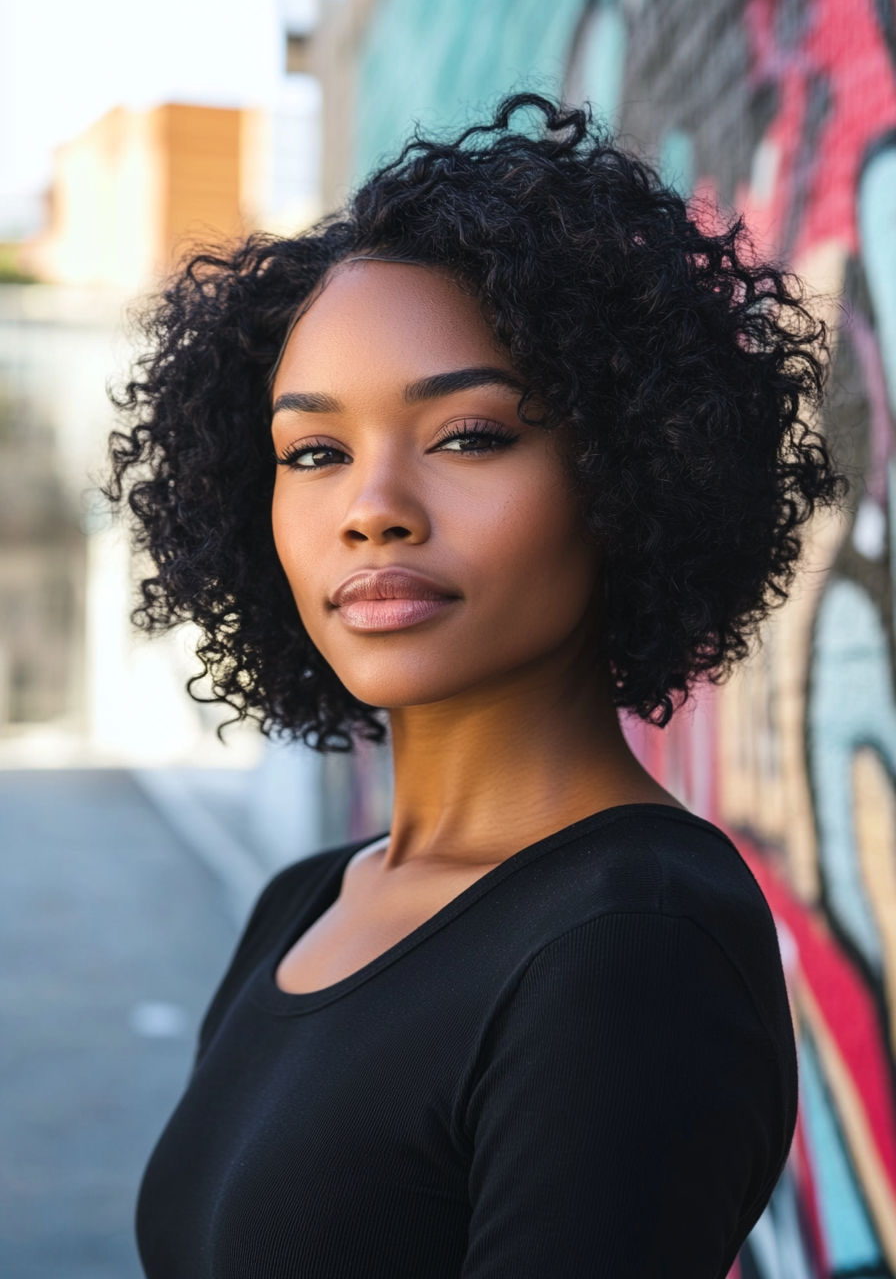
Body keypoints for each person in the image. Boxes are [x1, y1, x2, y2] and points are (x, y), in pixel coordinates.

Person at [109, 95, 840, 1278]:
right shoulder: (302, 904)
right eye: (314, 452)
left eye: (468, 436)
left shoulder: (628, 945)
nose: (372, 506)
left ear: (626, 470)